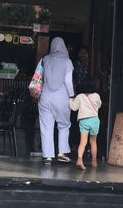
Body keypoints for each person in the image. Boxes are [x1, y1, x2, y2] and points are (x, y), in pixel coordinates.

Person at [37, 36, 75, 164]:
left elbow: (40, 77)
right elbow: (68, 81)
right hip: (62, 97)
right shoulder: (67, 61)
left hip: (45, 96)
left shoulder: (45, 59)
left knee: (46, 126)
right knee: (64, 125)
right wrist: (72, 96)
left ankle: (48, 156)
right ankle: (62, 153)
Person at [69, 77, 101, 170]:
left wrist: (71, 99)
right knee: (93, 141)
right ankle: (94, 161)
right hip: (94, 120)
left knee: (83, 142)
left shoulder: (80, 96)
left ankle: (79, 160)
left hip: (84, 121)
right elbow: (99, 105)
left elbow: (74, 108)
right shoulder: (96, 96)